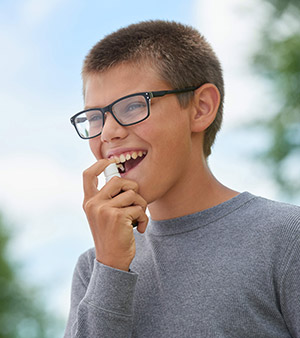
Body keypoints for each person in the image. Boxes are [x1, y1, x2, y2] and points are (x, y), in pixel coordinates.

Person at [64, 20, 300, 337]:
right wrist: (110, 269)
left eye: (133, 106)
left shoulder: (286, 238)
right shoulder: (95, 267)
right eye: (95, 117)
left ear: (201, 108)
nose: (108, 132)